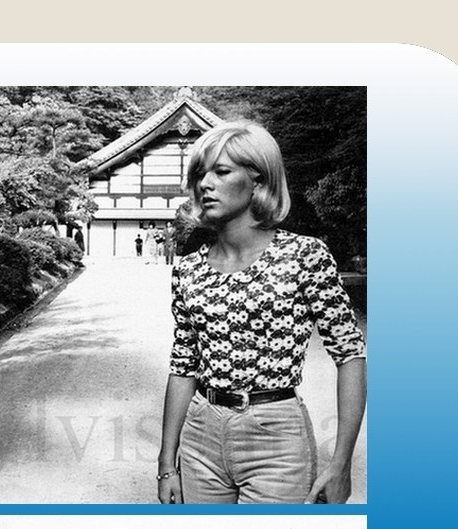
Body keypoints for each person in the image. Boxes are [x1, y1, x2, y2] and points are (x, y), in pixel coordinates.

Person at [156, 120, 366, 505]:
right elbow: (183, 365)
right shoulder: (188, 269)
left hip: (276, 436)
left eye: (221, 172)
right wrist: (166, 463)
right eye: (200, 173)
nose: (205, 184)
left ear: (259, 180)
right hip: (201, 434)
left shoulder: (304, 256)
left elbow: (350, 354)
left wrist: (341, 464)